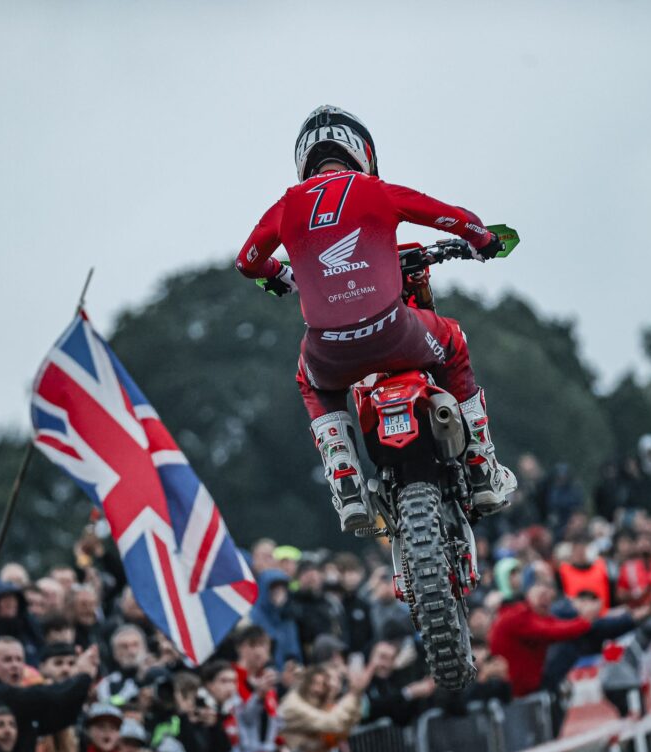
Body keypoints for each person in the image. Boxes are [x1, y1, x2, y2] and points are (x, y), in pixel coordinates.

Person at [235, 105, 516, 533]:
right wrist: (482, 239)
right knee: (453, 340)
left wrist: (279, 275)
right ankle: (481, 466)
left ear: (303, 161)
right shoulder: (375, 190)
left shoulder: (287, 206)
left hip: (327, 350)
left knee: (310, 379)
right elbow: (453, 217)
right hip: (393, 330)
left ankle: (345, 477)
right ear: (361, 150)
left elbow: (247, 262)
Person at [487, 580, 597, 698]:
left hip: (520, 687)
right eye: (542, 595)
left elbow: (553, 625)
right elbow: (551, 631)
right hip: (516, 691)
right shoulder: (517, 615)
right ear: (529, 596)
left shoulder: (527, 614)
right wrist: (585, 621)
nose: (546, 600)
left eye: (549, 597)